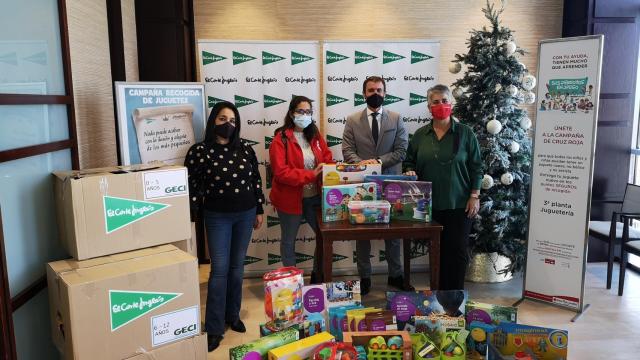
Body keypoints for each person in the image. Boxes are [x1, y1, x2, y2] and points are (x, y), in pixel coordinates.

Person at [185, 101, 264, 352]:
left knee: (237, 268)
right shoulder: (199, 151)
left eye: (232, 120)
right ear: (212, 122)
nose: (227, 124)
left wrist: (259, 208)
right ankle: (215, 327)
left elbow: (255, 179)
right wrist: (193, 213)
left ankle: (233, 315)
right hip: (217, 216)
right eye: (222, 119)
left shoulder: (245, 149)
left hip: (246, 213)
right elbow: (192, 183)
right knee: (219, 270)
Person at [403, 84, 483, 290]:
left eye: (445, 101)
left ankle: (454, 299)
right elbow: (409, 162)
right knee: (437, 254)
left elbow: (477, 167)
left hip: (459, 204)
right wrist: (409, 170)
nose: (441, 105)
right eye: (436, 102)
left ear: (451, 105)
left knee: (456, 254)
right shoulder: (420, 135)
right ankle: (438, 298)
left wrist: (475, 195)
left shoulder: (466, 134)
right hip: (429, 206)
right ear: (429, 107)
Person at [342, 76, 410, 295]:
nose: (375, 94)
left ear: (385, 93)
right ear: (364, 94)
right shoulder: (352, 120)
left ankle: (396, 275)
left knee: (393, 232)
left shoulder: (396, 118)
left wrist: (378, 162)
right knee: (363, 232)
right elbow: (347, 150)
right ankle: (365, 278)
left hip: (392, 182)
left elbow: (401, 151)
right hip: (362, 184)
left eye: (379, 90)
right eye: (371, 90)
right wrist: (362, 165)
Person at [269, 95, 333, 284]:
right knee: (288, 241)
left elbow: (327, 158)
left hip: (315, 197)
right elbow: (281, 173)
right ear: (291, 113)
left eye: (308, 112)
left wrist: (331, 168)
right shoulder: (280, 139)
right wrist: (311, 174)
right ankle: (293, 282)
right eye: (300, 111)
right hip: (289, 198)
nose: (304, 115)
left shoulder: (315, 136)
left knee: (323, 236)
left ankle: (317, 275)